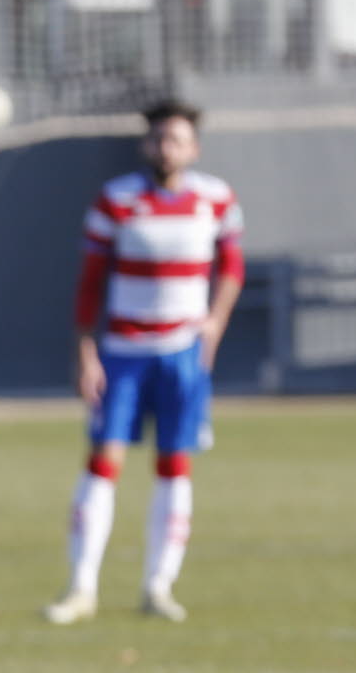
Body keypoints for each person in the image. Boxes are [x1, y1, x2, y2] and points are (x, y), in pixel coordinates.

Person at [45, 100, 242, 627]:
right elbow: (89, 284)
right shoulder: (117, 200)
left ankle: (159, 584)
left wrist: (215, 321)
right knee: (104, 462)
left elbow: (232, 267)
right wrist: (87, 351)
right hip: (124, 353)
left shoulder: (216, 199)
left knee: (174, 464)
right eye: (158, 138)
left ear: (193, 147)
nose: (166, 148)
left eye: (176, 139)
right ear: (145, 144)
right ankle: (81, 586)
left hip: (183, 354)